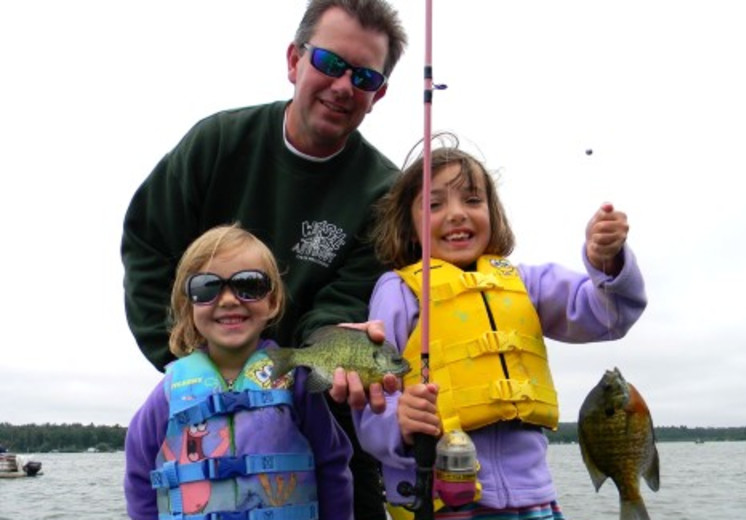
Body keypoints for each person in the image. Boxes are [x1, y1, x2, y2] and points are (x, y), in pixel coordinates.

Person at [121, 2, 407, 518]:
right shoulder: (216, 144)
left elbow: (339, 301)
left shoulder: (385, 193)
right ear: (295, 60)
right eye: (329, 62)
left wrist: (325, 357)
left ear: (378, 94)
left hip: (327, 421)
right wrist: (192, 363)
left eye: (364, 75)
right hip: (201, 415)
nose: (343, 85)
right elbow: (147, 246)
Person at [355, 137, 648, 518]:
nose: (457, 213)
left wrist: (607, 262)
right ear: (409, 228)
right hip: (441, 501)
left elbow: (612, 313)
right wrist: (399, 420)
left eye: (473, 200)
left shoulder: (528, 283)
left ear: (493, 214)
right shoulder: (398, 292)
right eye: (434, 204)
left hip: (535, 500)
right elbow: (373, 401)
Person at [124, 224, 353, 519]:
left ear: (272, 302)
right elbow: (139, 475)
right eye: (206, 287)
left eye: (249, 285)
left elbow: (332, 466)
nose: (229, 299)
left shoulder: (296, 383)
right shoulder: (167, 394)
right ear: (188, 305)